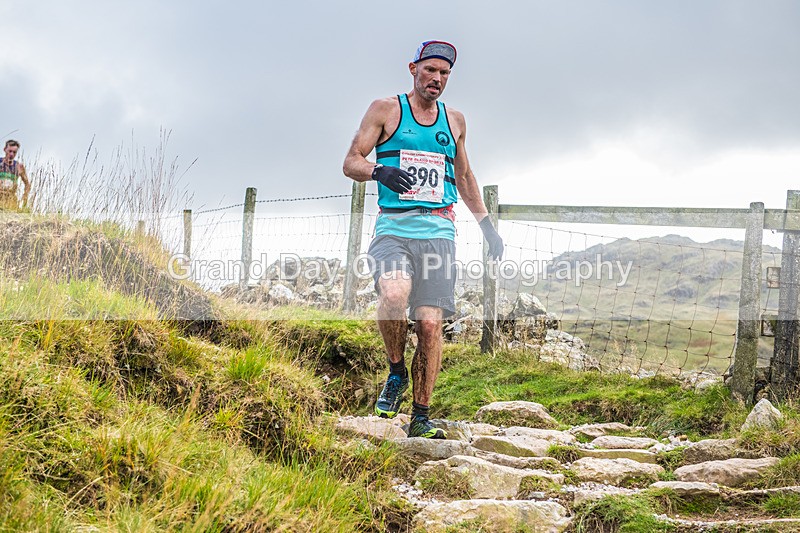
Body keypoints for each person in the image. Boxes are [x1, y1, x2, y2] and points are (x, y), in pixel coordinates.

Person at [343, 41, 504, 439]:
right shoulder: (386, 109)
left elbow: (464, 178)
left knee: (431, 325)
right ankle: (396, 370)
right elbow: (351, 162)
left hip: (439, 234)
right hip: (394, 229)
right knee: (395, 295)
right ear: (413, 68)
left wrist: (487, 227)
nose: (436, 79)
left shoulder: (456, 121)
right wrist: (379, 172)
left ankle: (420, 415)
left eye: (444, 73)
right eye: (430, 70)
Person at [0, 140, 31, 211]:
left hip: (11, 199)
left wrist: (25, 196)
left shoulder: (19, 166)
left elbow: (27, 184)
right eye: (10, 151)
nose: (11, 154)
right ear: (5, 149)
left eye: (14, 152)